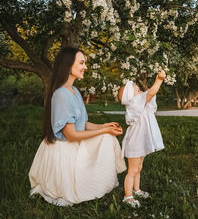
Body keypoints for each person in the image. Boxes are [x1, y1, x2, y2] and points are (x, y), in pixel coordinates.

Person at [29, 46, 126, 206]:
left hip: (73, 145)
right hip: (64, 150)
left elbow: (83, 124)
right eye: (81, 63)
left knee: (107, 137)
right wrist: (104, 130)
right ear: (68, 65)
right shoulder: (60, 94)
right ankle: (89, 182)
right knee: (106, 136)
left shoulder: (74, 90)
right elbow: (72, 135)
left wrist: (104, 125)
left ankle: (100, 179)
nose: (85, 67)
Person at [118, 70, 166, 207]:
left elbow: (149, 96)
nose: (140, 91)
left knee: (138, 168)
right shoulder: (134, 104)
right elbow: (151, 93)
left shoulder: (140, 104)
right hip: (135, 143)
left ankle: (136, 189)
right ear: (131, 97)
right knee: (132, 170)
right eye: (137, 90)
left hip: (140, 141)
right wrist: (159, 80)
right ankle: (128, 196)